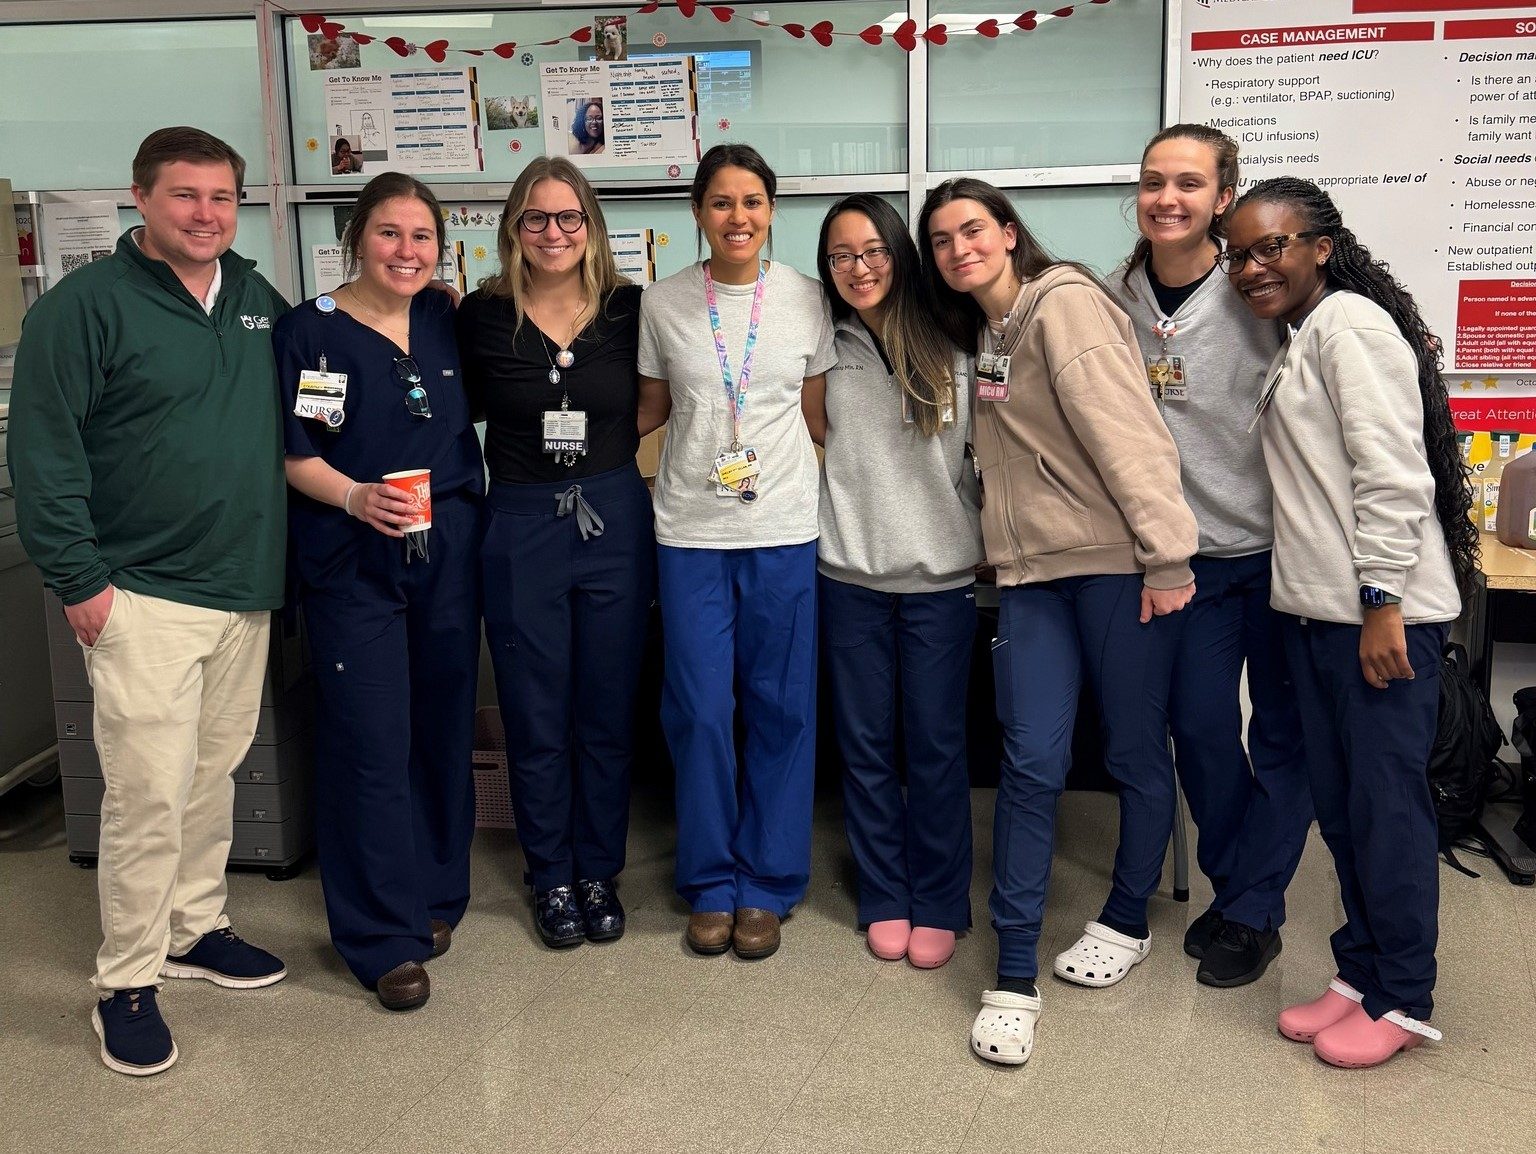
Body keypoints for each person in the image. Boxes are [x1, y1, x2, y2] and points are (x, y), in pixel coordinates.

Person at [9, 126, 288, 1076]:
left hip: (242, 589)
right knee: (146, 797)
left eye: (221, 198)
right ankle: (126, 982)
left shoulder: (255, 299)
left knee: (213, 775)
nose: (205, 214)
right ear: (141, 199)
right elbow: (44, 452)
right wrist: (80, 581)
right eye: (185, 196)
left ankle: (194, 927)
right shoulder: (85, 308)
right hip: (140, 596)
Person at [917, 178, 1198, 1067]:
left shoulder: (1063, 305)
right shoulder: (991, 334)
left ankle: (1126, 917)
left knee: (1131, 752)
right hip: (1033, 580)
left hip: (1117, 571)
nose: (959, 249)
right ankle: (1011, 973)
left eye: (973, 230)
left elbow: (1130, 435)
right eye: (941, 240)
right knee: (1031, 760)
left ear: (1007, 233)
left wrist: (1167, 556)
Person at [1223, 177, 1476, 1069]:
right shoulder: (1304, 336)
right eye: (1239, 253)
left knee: (1385, 815)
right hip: (1316, 620)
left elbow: (1394, 477)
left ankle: (1402, 996)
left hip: (1376, 621)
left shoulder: (1353, 327)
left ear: (1320, 246)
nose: (1253, 266)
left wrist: (1381, 603)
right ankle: (1360, 973)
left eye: (1272, 247)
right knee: (1342, 812)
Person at [273, 172, 483, 1011]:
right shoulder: (309, 334)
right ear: (357, 238)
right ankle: (378, 936)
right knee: (368, 741)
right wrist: (356, 497)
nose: (407, 251)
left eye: (422, 237)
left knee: (439, 728)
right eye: (390, 234)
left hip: (448, 550)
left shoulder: (443, 316)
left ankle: (432, 898)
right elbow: (296, 455)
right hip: (353, 558)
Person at [1109, 124, 1311, 989]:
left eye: (1189, 184)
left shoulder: (1257, 289)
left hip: (1276, 553)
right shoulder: (1115, 296)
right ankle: (1239, 889)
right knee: (1199, 730)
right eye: (1155, 182)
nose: (1168, 199)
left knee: (1281, 736)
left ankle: (1255, 909)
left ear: (1223, 197)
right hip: (1183, 560)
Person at [637, 143, 835, 960]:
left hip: (783, 528)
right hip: (689, 531)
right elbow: (650, 408)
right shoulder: (662, 303)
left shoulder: (808, 299)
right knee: (699, 710)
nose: (738, 217)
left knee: (782, 706)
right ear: (697, 212)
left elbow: (820, 418)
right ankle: (711, 879)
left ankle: (770, 880)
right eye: (722, 202)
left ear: (772, 210)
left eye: (752, 201)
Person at [456, 157, 652, 950]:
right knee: (537, 712)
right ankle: (553, 875)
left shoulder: (629, 310)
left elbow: (654, 403)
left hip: (611, 514)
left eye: (570, 217)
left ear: (592, 226)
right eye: (537, 218)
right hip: (520, 522)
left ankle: (600, 867)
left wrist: (594, 460)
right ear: (514, 227)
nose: (554, 232)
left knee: (605, 708)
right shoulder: (476, 316)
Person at [812, 193, 983, 969]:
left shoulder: (953, 338)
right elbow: (815, 437)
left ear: (899, 253)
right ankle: (885, 890)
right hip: (847, 574)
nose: (859, 267)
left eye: (874, 250)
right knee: (867, 745)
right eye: (842, 255)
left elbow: (986, 453)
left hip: (940, 578)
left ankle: (942, 897)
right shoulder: (824, 342)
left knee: (938, 747)